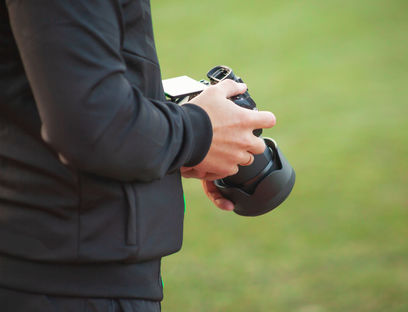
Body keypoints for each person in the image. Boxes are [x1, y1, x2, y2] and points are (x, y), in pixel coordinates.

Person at [0, 1, 275, 311]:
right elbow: (92, 123)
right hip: (72, 281)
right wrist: (198, 130)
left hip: (61, 262)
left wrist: (169, 140)